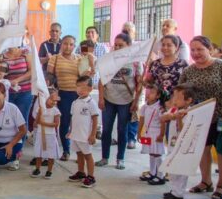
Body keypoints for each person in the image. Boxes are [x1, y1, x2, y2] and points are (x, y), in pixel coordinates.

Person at [178, 36, 222, 199]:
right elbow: (181, 92)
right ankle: (206, 181)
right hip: (199, 118)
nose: (196, 53)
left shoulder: (220, 66)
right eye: (193, 50)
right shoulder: (189, 71)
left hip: (221, 117)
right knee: (203, 149)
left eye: (200, 49)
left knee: (221, 151)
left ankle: (221, 185)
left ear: (210, 49)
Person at [96, 33, 143, 170]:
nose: (117, 47)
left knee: (122, 130)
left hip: (126, 101)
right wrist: (100, 98)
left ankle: (120, 159)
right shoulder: (108, 60)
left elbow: (139, 83)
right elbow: (101, 81)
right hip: (108, 99)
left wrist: (136, 101)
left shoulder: (135, 62)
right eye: (115, 44)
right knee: (106, 130)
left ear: (129, 46)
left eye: (120, 45)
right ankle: (105, 157)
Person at [46, 35, 82, 161]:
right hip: (64, 95)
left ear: (74, 46)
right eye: (66, 44)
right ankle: (66, 151)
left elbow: (84, 77)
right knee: (65, 123)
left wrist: (91, 65)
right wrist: (51, 91)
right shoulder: (55, 59)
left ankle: (80, 152)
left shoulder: (80, 58)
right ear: (61, 44)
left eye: (71, 44)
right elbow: (50, 76)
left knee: (79, 124)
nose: (68, 46)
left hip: (79, 96)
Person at [160, 84, 196, 199]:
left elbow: (183, 130)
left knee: (180, 170)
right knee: (172, 169)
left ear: (188, 100)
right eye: (174, 97)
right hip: (172, 144)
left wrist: (179, 118)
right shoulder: (175, 109)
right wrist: (170, 115)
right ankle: (174, 189)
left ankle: (178, 193)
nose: (174, 101)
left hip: (182, 146)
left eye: (178, 98)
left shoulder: (190, 113)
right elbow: (163, 118)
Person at [67, 76, 99, 188]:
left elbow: (95, 119)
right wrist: (70, 131)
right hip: (76, 135)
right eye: (78, 86)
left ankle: (91, 176)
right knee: (79, 154)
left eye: (83, 87)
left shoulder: (91, 103)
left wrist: (93, 134)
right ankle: (81, 172)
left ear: (90, 88)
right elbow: (73, 118)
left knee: (88, 155)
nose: (79, 89)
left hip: (85, 135)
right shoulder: (75, 102)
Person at [0, 45, 33, 144]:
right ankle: (7, 144)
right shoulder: (2, 55)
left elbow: (32, 71)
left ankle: (19, 148)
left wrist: (16, 80)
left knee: (22, 119)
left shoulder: (26, 53)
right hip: (7, 93)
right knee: (7, 119)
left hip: (25, 92)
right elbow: (0, 74)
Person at [137, 83, 167, 185]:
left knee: (157, 153)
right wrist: (139, 132)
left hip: (156, 132)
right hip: (148, 132)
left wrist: (161, 134)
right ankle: (152, 172)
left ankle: (161, 175)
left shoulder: (159, 108)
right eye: (147, 92)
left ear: (158, 95)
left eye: (152, 92)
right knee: (151, 152)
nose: (148, 94)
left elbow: (163, 122)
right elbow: (141, 120)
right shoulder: (144, 107)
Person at [30, 89, 61, 179]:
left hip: (50, 135)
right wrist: (39, 114)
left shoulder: (55, 111)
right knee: (39, 153)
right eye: (51, 99)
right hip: (40, 134)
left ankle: (49, 171)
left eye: (55, 100)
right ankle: (37, 169)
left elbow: (56, 124)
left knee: (51, 154)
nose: (54, 102)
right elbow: (35, 123)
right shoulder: (40, 109)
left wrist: (44, 124)